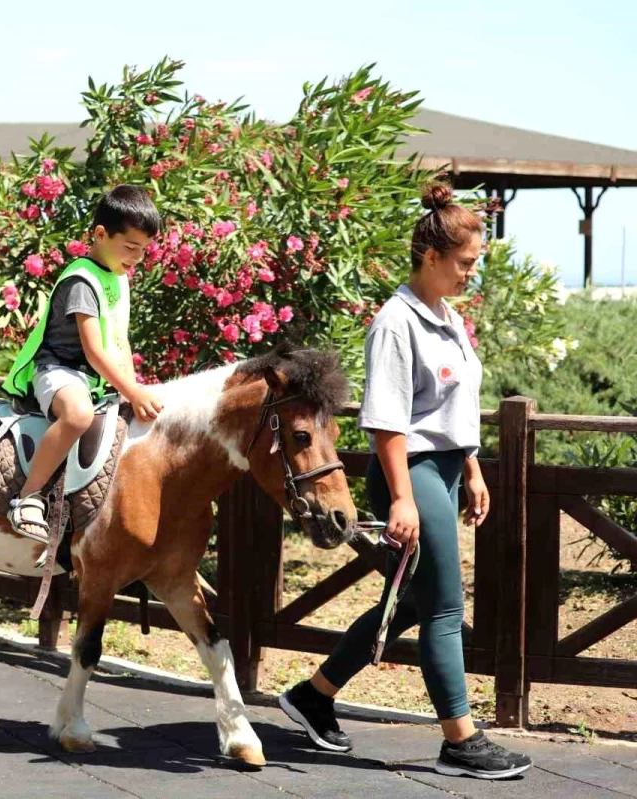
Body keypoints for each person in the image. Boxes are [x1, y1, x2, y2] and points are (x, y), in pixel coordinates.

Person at [278, 183, 532, 779]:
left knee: (415, 602)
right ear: (431, 257)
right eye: (466, 263)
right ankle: (460, 742)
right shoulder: (397, 323)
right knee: (445, 607)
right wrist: (401, 497)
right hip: (410, 473)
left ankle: (314, 695)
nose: (472, 274)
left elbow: (453, 407)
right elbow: (389, 423)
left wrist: (469, 466)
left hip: (442, 470)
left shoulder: (447, 317)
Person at [1, 185, 164, 543]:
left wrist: (133, 388)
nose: (137, 258)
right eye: (130, 247)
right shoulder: (82, 280)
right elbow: (93, 351)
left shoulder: (118, 277)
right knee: (77, 416)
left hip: (95, 379)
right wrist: (131, 390)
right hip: (58, 370)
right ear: (101, 234)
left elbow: (120, 341)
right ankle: (27, 498)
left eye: (143, 250)